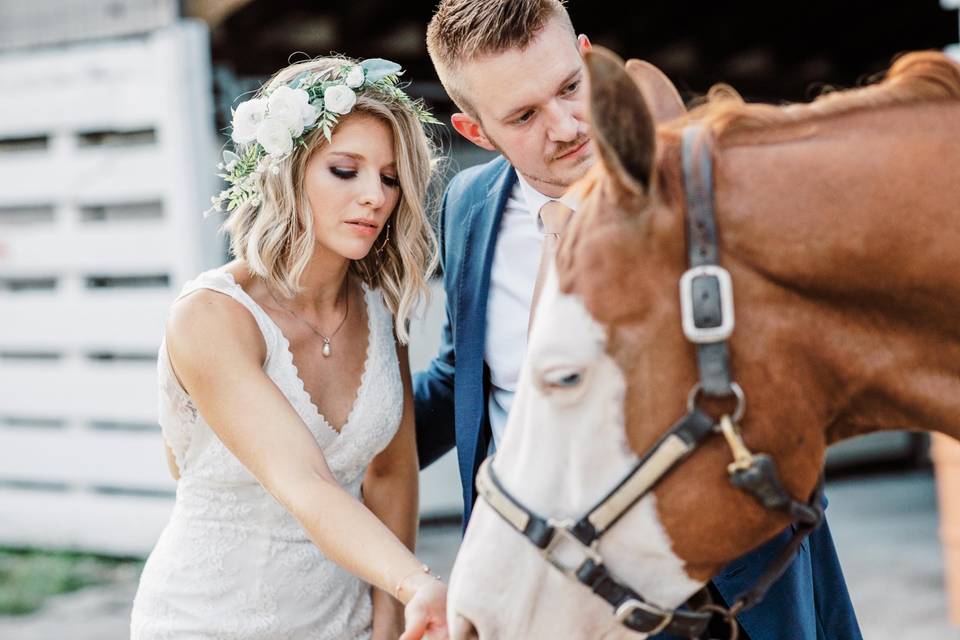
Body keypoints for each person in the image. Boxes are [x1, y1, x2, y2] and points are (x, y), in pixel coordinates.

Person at [413, 1, 862, 638]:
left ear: (591, 57)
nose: (566, 126)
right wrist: (335, 445)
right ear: (475, 130)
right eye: (523, 116)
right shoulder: (466, 206)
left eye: (571, 86)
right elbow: (462, 372)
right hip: (545, 586)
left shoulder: (702, 182)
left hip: (725, 582)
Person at [130, 56, 448, 640]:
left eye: (390, 177)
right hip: (207, 620)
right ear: (286, 170)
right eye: (345, 170)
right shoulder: (212, 317)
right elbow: (306, 482)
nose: (375, 196)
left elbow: (392, 474)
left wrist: (388, 619)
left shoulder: (381, 310)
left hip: (345, 620)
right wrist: (417, 582)